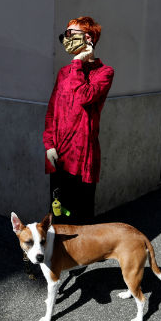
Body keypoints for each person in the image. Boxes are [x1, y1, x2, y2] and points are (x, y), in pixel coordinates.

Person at [43, 16, 114, 225]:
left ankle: (82, 255)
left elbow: (85, 96)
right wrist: (48, 144)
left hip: (82, 156)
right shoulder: (64, 73)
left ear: (88, 38)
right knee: (57, 210)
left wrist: (77, 63)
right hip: (58, 154)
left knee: (80, 214)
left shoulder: (104, 73)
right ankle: (58, 254)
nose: (66, 39)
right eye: (64, 35)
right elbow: (51, 110)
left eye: (70, 35)